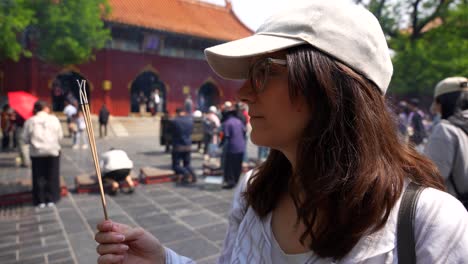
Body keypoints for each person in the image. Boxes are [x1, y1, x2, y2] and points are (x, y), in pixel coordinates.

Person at [95, 1, 468, 263]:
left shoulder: (431, 222)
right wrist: (164, 260)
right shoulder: (254, 192)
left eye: (261, 73)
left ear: (327, 86)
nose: (242, 93)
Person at [425, 76, 468, 209]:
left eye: (437, 102)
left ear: (444, 102)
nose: (434, 109)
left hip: (456, 214)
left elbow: (431, 179)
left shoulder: (446, 130)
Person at [23, 101, 63, 208]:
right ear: (45, 108)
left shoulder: (30, 121)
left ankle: (40, 200)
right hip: (53, 152)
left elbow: (25, 139)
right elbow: (60, 136)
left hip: (37, 153)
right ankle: (51, 198)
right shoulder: (54, 119)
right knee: (52, 176)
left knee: (38, 177)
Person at [220, 105, 246, 189]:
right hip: (241, 146)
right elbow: (244, 132)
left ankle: (230, 182)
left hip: (232, 147)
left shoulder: (227, 123)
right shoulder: (239, 121)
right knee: (237, 165)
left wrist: (220, 145)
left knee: (230, 166)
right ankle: (236, 181)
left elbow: (226, 137)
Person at [171, 108, 197, 184]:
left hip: (178, 146)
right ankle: (193, 175)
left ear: (177, 113)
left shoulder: (175, 121)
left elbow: (170, 132)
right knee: (187, 164)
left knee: (176, 165)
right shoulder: (190, 120)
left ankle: (186, 174)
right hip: (188, 145)